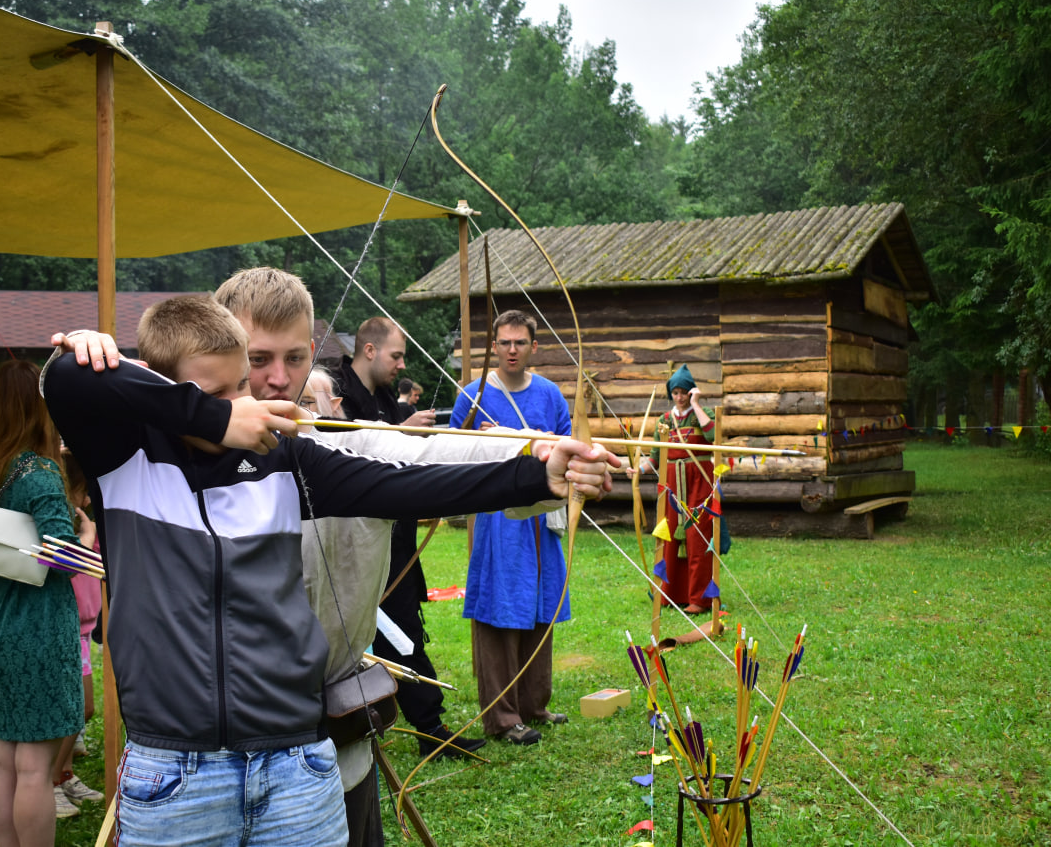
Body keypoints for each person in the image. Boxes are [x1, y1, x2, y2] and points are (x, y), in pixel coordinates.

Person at [42, 295, 617, 846]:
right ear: (165, 390)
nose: (248, 401)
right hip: (175, 768)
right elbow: (63, 379)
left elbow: (403, 485)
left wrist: (536, 477)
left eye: (242, 384)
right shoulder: (124, 460)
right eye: (220, 393)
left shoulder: (282, 457)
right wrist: (215, 419)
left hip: (293, 761)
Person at [212, 267, 564, 846]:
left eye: (296, 358)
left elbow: (437, 455)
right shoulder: (179, 453)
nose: (280, 380)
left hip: (333, 748)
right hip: (216, 767)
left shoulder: (343, 449)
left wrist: (538, 455)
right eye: (258, 359)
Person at [336, 317, 490, 758]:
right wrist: (403, 433)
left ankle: (428, 725)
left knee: (403, 630)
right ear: (369, 350)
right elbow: (352, 453)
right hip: (355, 543)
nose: (401, 364)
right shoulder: (339, 396)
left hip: (396, 539)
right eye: (396, 355)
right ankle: (376, 720)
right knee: (364, 635)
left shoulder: (385, 397)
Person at [0, 360, 84, 847]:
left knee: (6, 754)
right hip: (34, 621)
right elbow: (63, 558)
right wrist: (85, 532)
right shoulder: (38, 470)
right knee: (33, 765)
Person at [450, 310, 572, 746]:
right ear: (494, 347)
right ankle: (502, 718)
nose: (512, 350)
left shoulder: (550, 394)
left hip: (539, 516)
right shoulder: (474, 394)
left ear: (533, 347)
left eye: (520, 342)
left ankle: (533, 704)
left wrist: (522, 435)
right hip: (498, 520)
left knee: (540, 607)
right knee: (500, 611)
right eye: (504, 343)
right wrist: (494, 442)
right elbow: (454, 453)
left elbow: (566, 445)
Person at [627, 364, 718, 614]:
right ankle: (670, 595)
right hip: (671, 485)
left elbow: (713, 436)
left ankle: (699, 600)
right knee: (668, 538)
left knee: (697, 539)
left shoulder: (703, 412)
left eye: (684, 392)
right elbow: (656, 456)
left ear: (692, 392)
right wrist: (640, 471)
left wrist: (697, 405)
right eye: (675, 392)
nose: (679, 397)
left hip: (699, 482)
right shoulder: (665, 420)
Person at [50, 448, 104, 819]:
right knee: (76, 708)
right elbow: (62, 569)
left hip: (82, 631)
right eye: (80, 492)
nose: (85, 499)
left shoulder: (87, 526)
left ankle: (63, 774)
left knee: (79, 710)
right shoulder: (60, 531)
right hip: (63, 628)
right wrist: (85, 538)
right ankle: (49, 781)